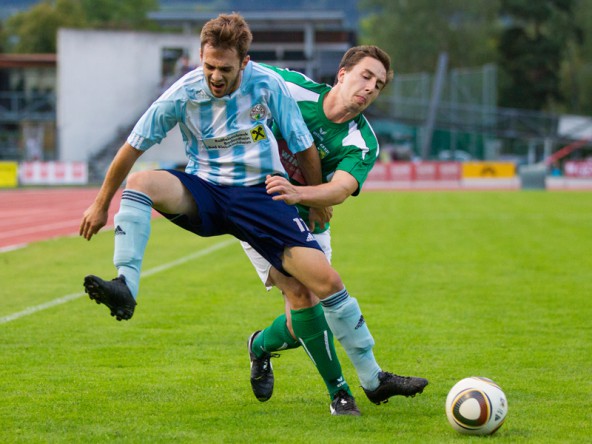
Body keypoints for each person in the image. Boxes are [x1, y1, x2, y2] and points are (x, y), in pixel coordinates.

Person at [77, 13, 389, 416]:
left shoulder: (272, 87)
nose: (215, 76)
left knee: (315, 291)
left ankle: (279, 352)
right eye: (208, 66)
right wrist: (100, 204)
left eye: (225, 69)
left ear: (245, 62)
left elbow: (306, 149)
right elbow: (132, 147)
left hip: (263, 198)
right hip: (206, 190)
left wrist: (311, 202)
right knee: (141, 183)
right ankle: (126, 285)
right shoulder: (185, 91)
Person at [243, 46, 428, 415]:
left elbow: (342, 188)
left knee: (306, 319)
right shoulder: (293, 88)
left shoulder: (363, 141)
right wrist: (256, 139)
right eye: (365, 76)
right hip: (260, 209)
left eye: (378, 85)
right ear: (342, 74)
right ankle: (341, 392)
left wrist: (304, 195)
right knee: (304, 296)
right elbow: (244, 69)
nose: (371, 88)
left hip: (309, 217)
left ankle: (260, 345)